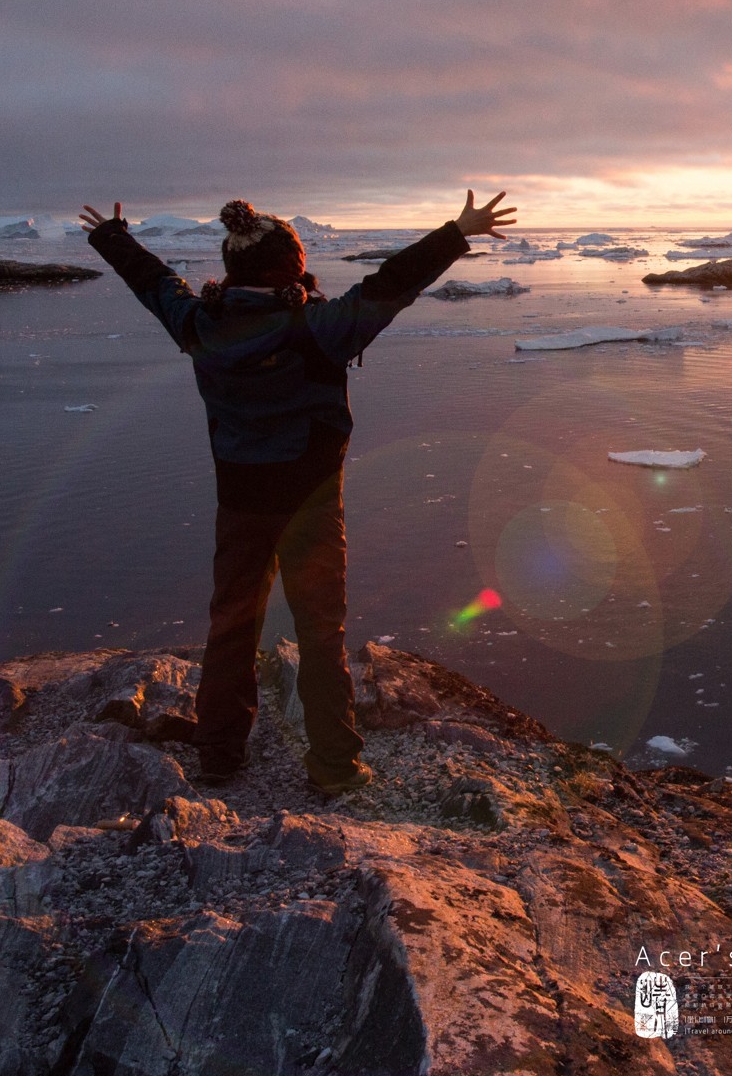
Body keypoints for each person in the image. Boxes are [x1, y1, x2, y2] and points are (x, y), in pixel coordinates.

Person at [80, 190, 518, 793]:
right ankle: (335, 766)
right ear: (290, 266)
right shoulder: (319, 329)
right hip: (311, 505)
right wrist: (457, 232)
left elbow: (154, 283)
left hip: (240, 501)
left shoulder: (200, 323)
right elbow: (391, 284)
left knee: (231, 625)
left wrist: (112, 237)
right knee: (319, 632)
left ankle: (219, 755)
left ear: (231, 267)